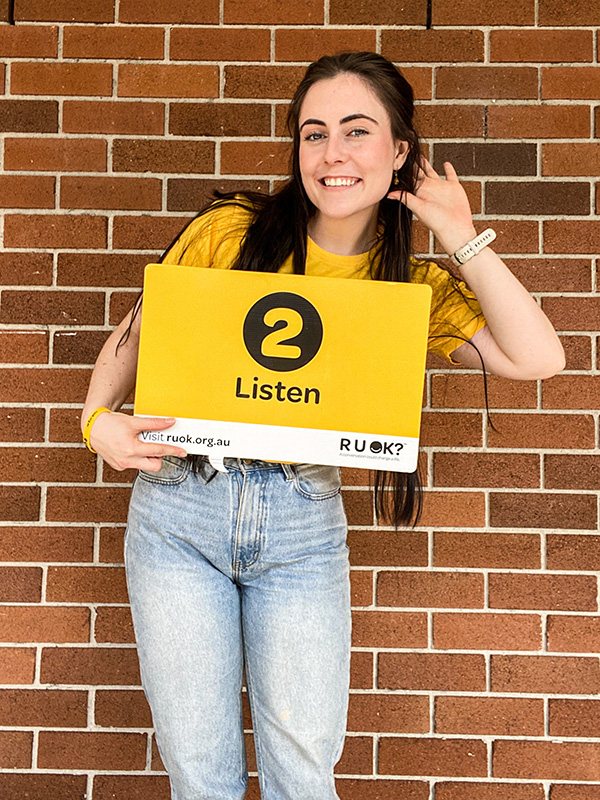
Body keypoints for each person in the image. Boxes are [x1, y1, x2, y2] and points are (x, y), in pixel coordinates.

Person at [80, 52, 564, 800]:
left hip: (302, 525)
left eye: (357, 131)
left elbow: (536, 359)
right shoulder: (231, 231)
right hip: (180, 508)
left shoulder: (410, 287)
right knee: (197, 772)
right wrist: (97, 422)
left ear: (400, 150)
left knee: (303, 772)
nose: (332, 154)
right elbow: (136, 337)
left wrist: (459, 232)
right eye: (314, 134)